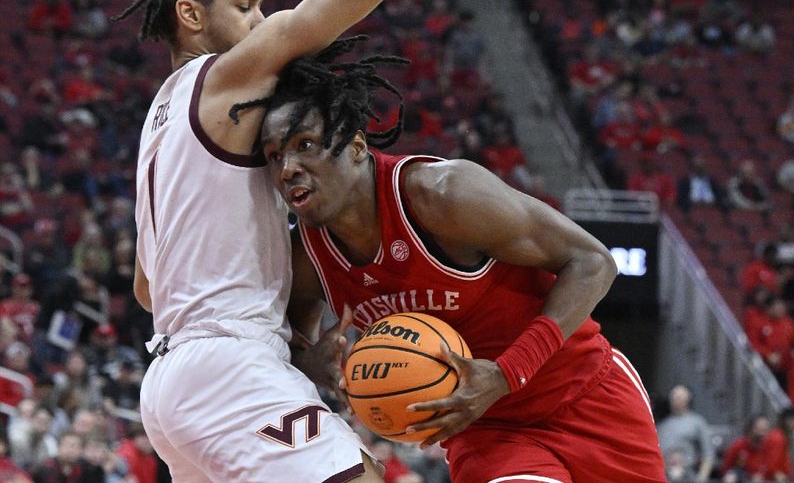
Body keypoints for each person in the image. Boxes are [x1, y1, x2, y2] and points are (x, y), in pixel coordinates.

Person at [112, 0, 501, 479]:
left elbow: (149, 288)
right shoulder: (224, 80)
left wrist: (289, 343)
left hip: (171, 382)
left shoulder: (156, 128)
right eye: (245, 6)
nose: (263, 22)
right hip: (226, 370)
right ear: (191, 15)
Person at [257, 38, 666, 482]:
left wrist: (506, 374)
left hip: (586, 395)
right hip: (488, 432)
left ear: (356, 146)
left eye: (306, 144)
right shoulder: (308, 256)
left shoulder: (443, 195)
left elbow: (593, 262)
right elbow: (288, 341)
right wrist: (311, 362)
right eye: (275, 156)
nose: (288, 168)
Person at [656, 385, 715, 482]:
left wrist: (701, 478)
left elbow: (708, 454)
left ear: (688, 399)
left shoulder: (697, 422)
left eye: (680, 397)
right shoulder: (662, 425)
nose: (677, 399)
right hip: (665, 477)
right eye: (675, 397)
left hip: (689, 477)